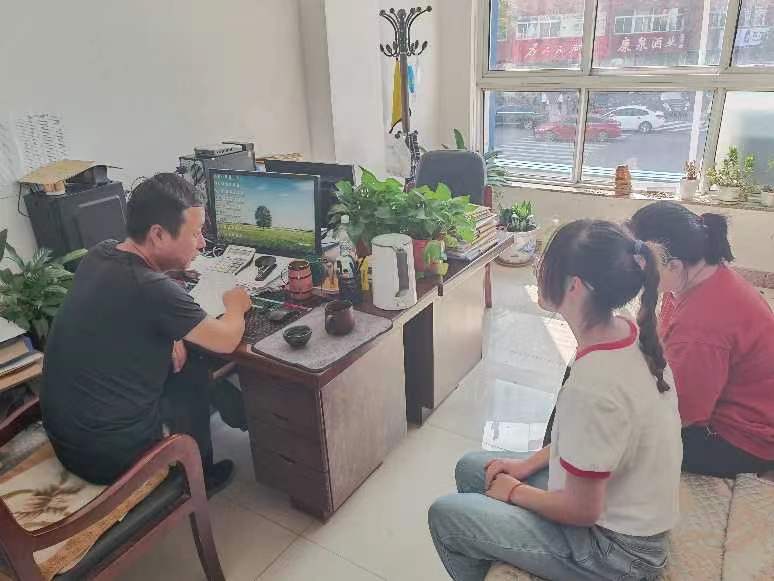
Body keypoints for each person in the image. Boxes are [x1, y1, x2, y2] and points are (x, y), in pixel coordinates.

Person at [428, 220, 682, 581]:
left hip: (618, 553)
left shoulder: (594, 388)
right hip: (623, 509)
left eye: (545, 262)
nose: (538, 269)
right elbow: (589, 443)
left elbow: (582, 510)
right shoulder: (627, 330)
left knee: (446, 516)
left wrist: (515, 492)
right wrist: (523, 466)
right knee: (473, 467)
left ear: (574, 286)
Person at [41, 173, 252, 494]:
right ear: (158, 235)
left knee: (185, 356)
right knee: (193, 367)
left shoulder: (101, 253)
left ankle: (235, 414)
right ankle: (198, 477)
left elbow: (130, 313)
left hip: (68, 438)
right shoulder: (150, 288)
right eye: (195, 233)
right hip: (107, 457)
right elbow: (225, 340)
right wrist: (235, 305)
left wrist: (174, 333)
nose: (202, 243)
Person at [628, 201, 774, 478]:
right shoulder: (697, 279)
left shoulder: (701, 325)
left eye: (642, 266)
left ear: (674, 266)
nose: (636, 274)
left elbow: (685, 414)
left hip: (742, 440)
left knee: (612, 428)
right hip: (741, 409)